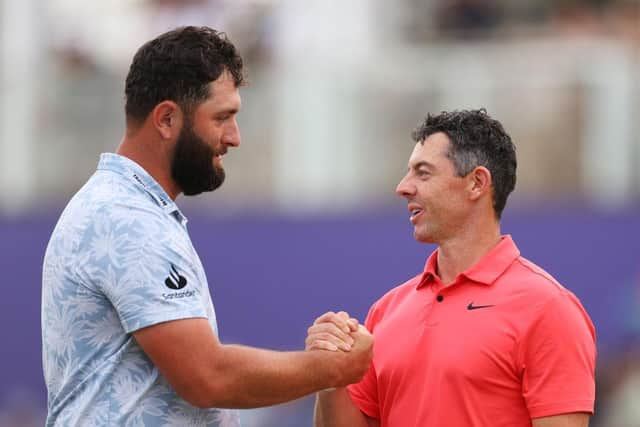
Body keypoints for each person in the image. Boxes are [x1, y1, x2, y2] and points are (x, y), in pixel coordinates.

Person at [41, 26, 372, 427]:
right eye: (223, 117)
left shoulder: (127, 207)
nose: (234, 138)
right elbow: (207, 376)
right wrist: (334, 368)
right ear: (166, 119)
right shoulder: (126, 219)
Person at [309, 109, 596, 427]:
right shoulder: (386, 310)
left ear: (477, 183)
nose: (403, 187)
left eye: (423, 172)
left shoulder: (548, 308)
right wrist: (330, 374)